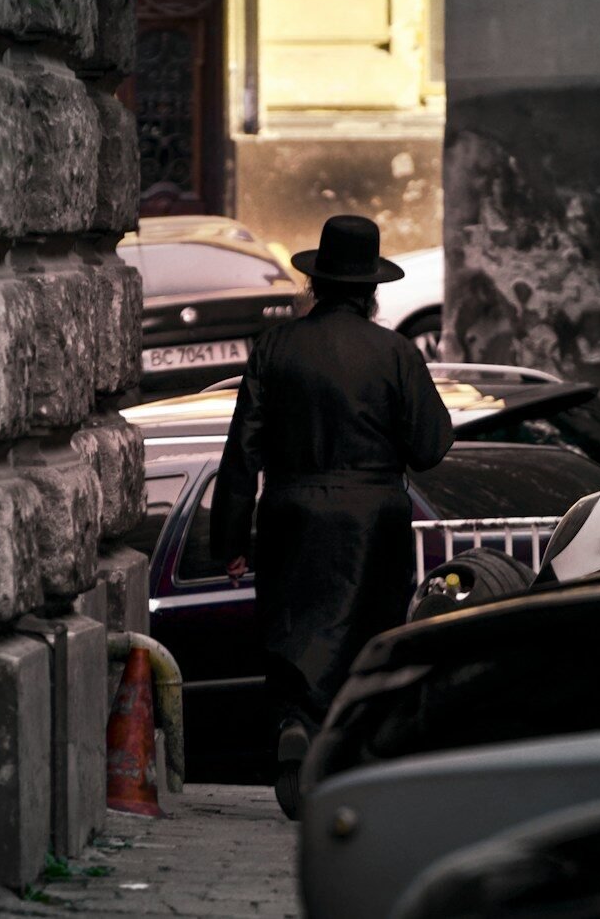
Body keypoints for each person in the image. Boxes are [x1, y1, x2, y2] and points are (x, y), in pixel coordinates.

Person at [210, 214, 453, 819]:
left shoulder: (274, 348)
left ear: (315, 283)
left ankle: (297, 723)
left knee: (296, 632)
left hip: (291, 512)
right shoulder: (396, 352)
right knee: (364, 640)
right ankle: (346, 765)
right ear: (372, 291)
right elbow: (430, 446)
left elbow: (241, 452)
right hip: (373, 520)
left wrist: (231, 540)